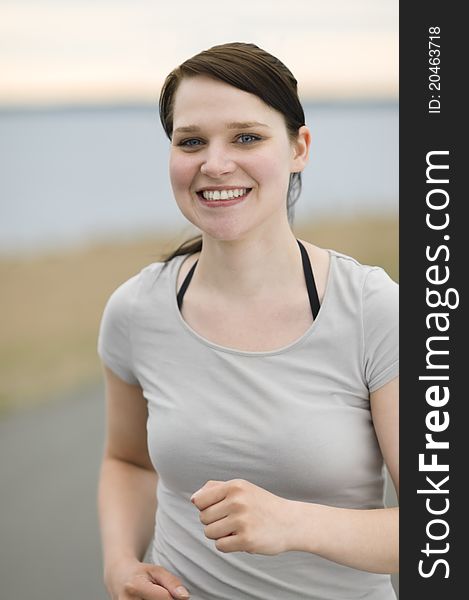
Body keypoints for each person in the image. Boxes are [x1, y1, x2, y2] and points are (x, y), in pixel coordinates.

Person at [97, 42, 399, 600]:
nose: (214, 163)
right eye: (191, 141)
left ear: (298, 148)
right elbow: (128, 460)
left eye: (246, 137)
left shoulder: (375, 310)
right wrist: (120, 564)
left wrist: (295, 524)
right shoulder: (136, 309)